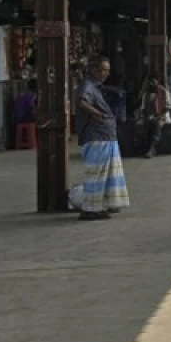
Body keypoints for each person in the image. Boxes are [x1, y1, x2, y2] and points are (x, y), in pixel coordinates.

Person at [73, 56, 130, 220]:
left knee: (108, 174)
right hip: (96, 137)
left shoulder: (96, 87)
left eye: (107, 70)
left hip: (106, 136)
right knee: (97, 173)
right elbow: (81, 102)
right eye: (103, 69)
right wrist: (96, 112)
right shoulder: (87, 85)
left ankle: (102, 204)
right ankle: (90, 208)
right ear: (93, 69)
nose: (106, 73)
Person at [141, 72, 170, 159]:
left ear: (158, 81)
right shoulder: (146, 94)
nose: (151, 84)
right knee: (145, 123)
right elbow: (143, 108)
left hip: (162, 115)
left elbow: (167, 107)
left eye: (153, 82)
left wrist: (158, 116)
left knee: (156, 124)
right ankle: (147, 147)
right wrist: (144, 117)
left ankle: (152, 148)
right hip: (150, 115)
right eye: (150, 82)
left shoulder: (164, 92)